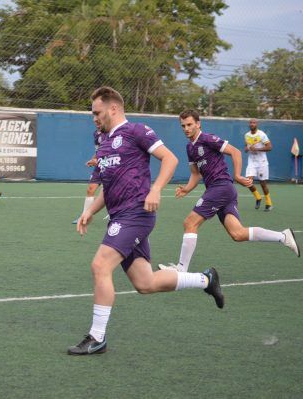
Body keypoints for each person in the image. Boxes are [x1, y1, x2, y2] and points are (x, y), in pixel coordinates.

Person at [69, 87, 225, 356]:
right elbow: (110, 186)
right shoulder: (105, 143)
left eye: (97, 112)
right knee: (145, 283)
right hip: (119, 216)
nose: (94, 118)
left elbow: (170, 158)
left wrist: (155, 189)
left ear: (113, 108)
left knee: (100, 265)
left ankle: (97, 337)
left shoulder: (136, 131)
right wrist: (90, 211)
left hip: (137, 215)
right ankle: (205, 280)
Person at [158, 110, 299, 273]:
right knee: (237, 234)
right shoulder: (190, 148)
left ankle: (181, 269)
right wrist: (187, 189)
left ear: (198, 124)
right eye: (183, 126)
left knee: (190, 223)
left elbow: (235, 152)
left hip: (221, 187)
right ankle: (283, 236)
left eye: (189, 124)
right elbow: (196, 174)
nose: (186, 128)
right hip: (222, 191)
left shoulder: (208, 139)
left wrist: (237, 175)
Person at [72, 121, 104, 224]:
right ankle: (85, 216)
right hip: (99, 165)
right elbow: (98, 151)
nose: (97, 121)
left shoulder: (109, 134)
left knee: (112, 192)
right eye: (96, 119)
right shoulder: (96, 133)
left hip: (110, 165)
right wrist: (93, 159)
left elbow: (111, 151)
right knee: (90, 189)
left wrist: (98, 159)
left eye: (100, 119)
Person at [244, 118, 273, 211]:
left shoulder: (262, 134)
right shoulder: (246, 135)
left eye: (254, 123)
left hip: (262, 162)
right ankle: (258, 197)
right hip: (252, 161)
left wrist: (256, 149)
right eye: (251, 123)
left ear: (257, 124)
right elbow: (247, 146)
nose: (252, 124)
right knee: (248, 182)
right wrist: (246, 149)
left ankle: (269, 203)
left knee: (262, 183)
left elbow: (269, 147)